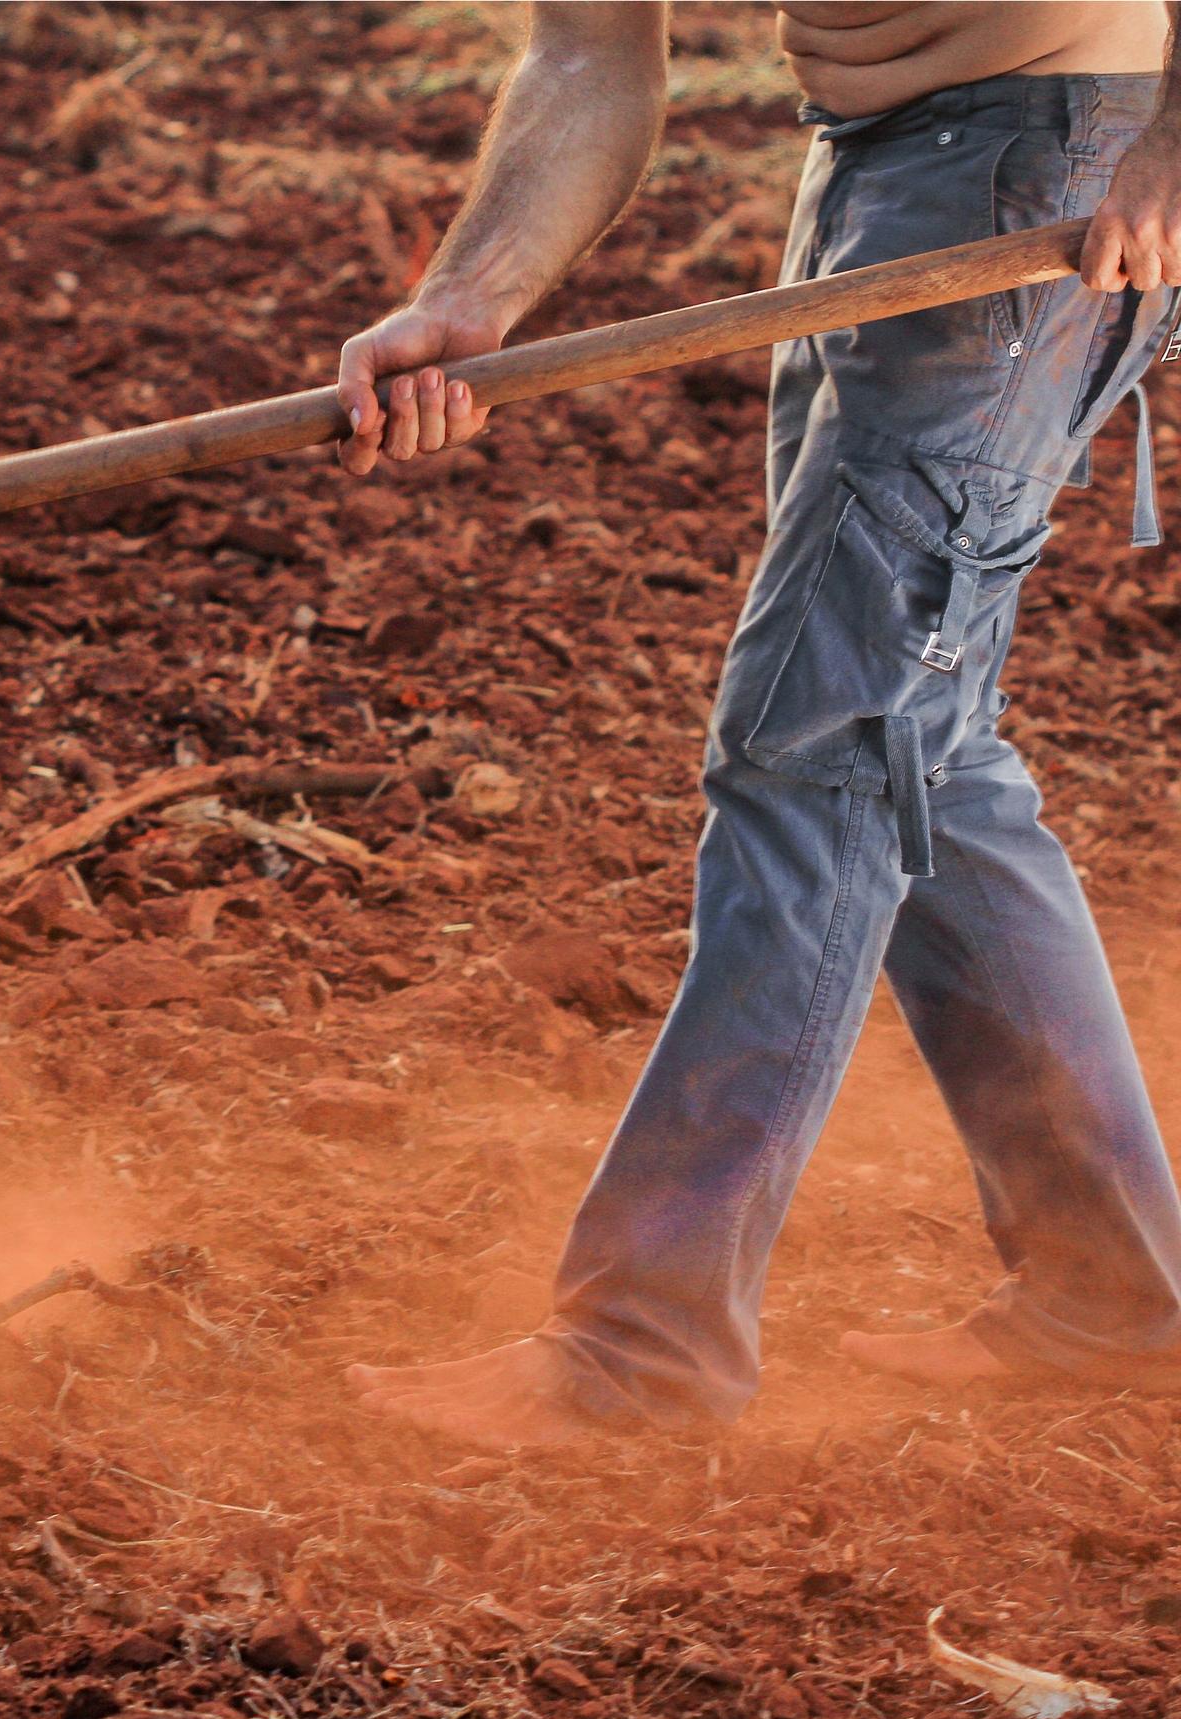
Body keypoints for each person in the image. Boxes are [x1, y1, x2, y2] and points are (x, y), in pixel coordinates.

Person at [340, 1, 1181, 1447]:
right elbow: (591, 54)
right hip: (884, 165)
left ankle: (641, 1351)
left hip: (1057, 166)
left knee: (825, 743)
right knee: (917, 741)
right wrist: (473, 295)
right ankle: (1118, 1288)